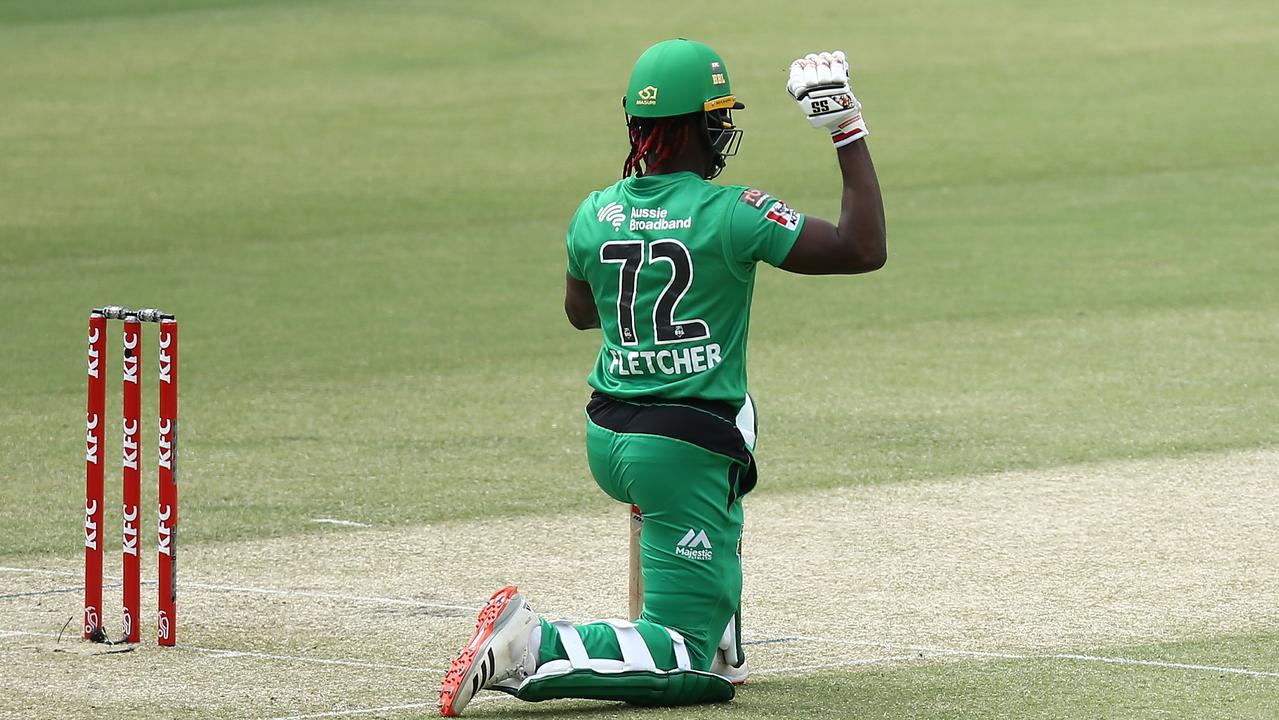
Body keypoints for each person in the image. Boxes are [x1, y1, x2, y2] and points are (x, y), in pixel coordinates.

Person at [438, 39, 886, 717]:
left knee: (741, 417)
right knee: (683, 664)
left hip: (608, 433)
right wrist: (843, 128)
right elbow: (861, 248)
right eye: (716, 117)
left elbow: (580, 313)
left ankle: (722, 639)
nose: (723, 130)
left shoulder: (594, 212)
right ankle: (533, 644)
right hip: (678, 452)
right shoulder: (736, 211)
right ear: (696, 128)